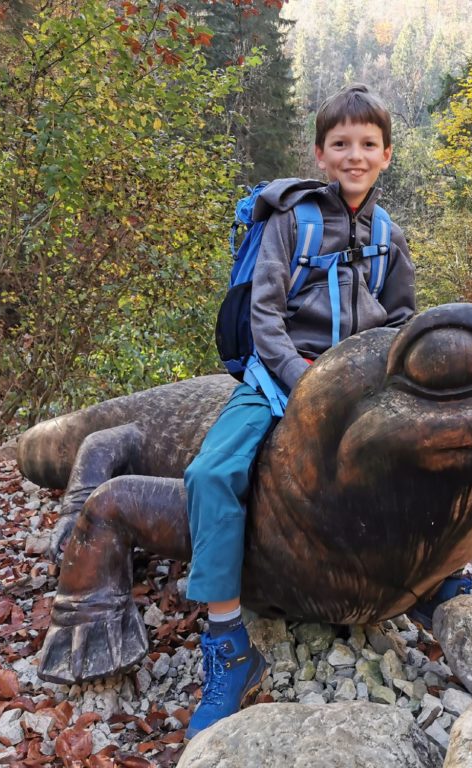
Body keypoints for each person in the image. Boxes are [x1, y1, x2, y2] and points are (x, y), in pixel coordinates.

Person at [182, 84, 417, 739]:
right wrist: (300, 379)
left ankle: (452, 575)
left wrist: (386, 380)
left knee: (440, 447)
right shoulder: (292, 219)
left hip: (363, 380)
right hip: (282, 376)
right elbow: (264, 314)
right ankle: (229, 641)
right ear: (320, 153)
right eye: (340, 144)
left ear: (387, 155)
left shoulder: (389, 233)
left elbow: (402, 320)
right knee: (211, 474)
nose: (354, 155)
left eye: (367, 144)